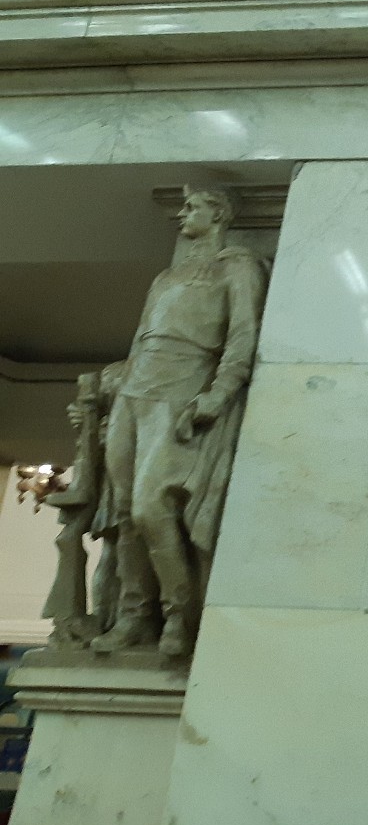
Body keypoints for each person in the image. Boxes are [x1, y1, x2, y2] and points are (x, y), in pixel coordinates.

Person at [87, 187, 267, 657]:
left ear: (219, 214)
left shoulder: (237, 267)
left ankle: (178, 614)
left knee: (151, 508)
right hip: (134, 393)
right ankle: (133, 616)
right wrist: (118, 380)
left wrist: (218, 393)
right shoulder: (166, 276)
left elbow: (242, 337)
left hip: (180, 389)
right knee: (125, 512)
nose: (182, 215)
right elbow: (140, 338)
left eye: (193, 207)